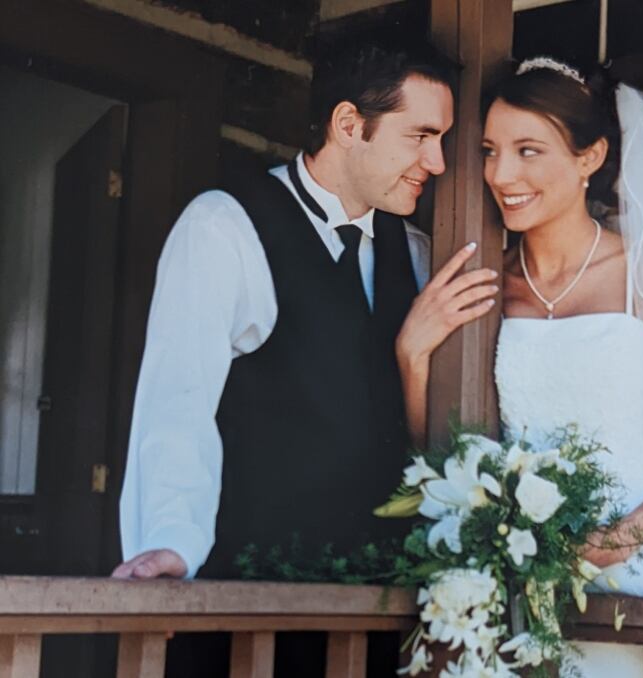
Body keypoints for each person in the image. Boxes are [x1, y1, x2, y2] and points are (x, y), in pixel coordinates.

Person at [112, 38, 489, 677]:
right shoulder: (223, 227)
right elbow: (177, 405)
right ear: (349, 125)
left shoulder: (420, 253)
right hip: (251, 615)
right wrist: (169, 546)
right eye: (421, 135)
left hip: (377, 620)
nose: (439, 161)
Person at [396, 57, 643, 677]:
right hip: (531, 596)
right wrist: (413, 359)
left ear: (589, 158)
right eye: (490, 151)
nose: (501, 174)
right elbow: (450, 462)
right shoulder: (493, 288)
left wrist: (610, 546)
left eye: (528, 150)